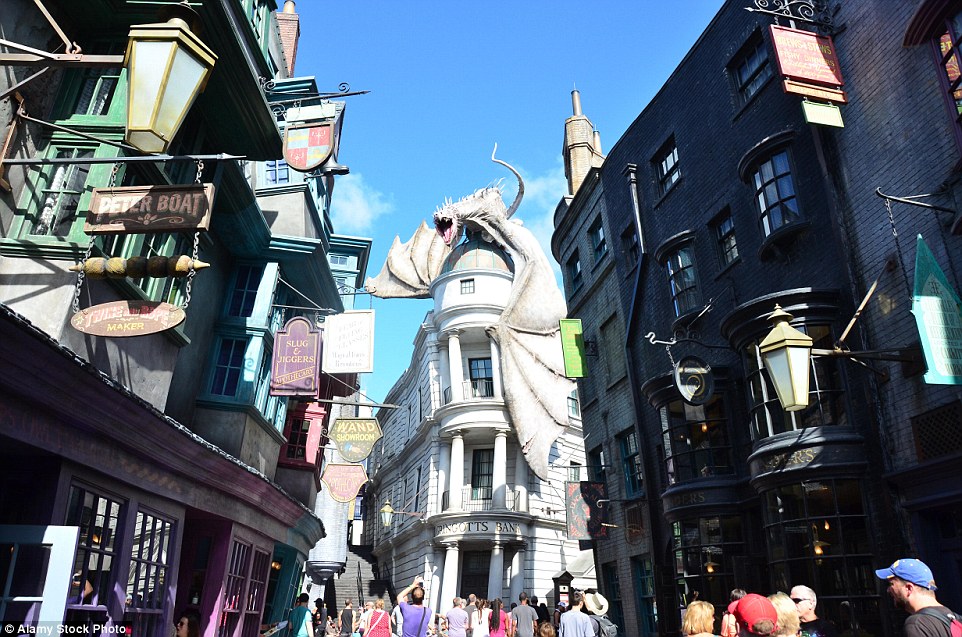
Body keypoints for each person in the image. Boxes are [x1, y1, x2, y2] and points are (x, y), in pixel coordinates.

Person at [876, 558, 959, 637]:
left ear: (909, 588)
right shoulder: (956, 619)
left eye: (891, 584)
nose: (888, 590)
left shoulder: (917, 625)